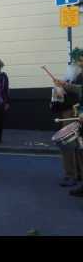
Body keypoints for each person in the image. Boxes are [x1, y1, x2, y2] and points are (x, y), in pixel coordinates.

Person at [53, 48, 83, 192]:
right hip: (69, 113)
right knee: (75, 146)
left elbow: (78, 91)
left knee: (70, 145)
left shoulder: (79, 76)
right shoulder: (75, 77)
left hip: (74, 113)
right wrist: (61, 88)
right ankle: (76, 174)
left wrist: (63, 87)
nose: (72, 65)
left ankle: (72, 175)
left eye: (76, 62)